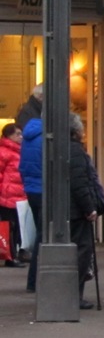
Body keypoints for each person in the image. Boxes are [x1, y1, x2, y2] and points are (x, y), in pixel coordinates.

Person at [67, 113, 101, 310]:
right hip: (77, 211)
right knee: (82, 251)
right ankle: (75, 294)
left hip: (68, 210)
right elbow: (80, 184)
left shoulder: (60, 148)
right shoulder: (76, 152)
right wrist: (90, 208)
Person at [19, 112, 43, 293]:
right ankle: (34, 280)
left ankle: (33, 281)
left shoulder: (29, 136)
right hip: (44, 189)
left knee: (40, 234)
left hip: (31, 188)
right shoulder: (47, 135)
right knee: (44, 236)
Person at [0, 124, 26, 267]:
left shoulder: (18, 151)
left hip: (17, 196)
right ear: (8, 136)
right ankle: (10, 256)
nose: (20, 137)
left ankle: (13, 254)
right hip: (8, 196)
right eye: (17, 134)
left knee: (15, 227)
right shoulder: (5, 152)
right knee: (10, 227)